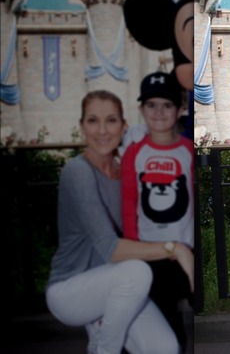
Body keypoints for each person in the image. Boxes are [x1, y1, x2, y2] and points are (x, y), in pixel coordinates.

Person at [46, 90, 193, 354]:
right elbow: (110, 248)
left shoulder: (124, 168)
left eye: (111, 120)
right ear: (81, 126)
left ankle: (102, 328)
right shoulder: (77, 171)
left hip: (116, 285)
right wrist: (176, 249)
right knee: (137, 272)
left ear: (123, 126)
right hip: (70, 289)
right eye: (92, 120)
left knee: (166, 347)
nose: (102, 130)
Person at [121, 71, 194, 349]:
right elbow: (129, 206)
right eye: (151, 105)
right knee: (167, 322)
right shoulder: (134, 153)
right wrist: (133, 254)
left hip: (187, 250)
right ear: (141, 109)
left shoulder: (187, 150)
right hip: (152, 253)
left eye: (167, 105)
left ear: (180, 109)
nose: (159, 112)